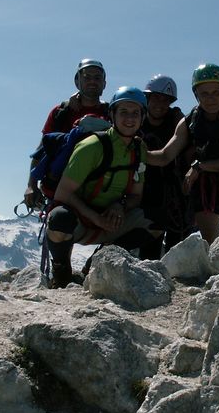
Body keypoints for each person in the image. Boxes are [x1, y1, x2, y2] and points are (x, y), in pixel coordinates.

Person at [45, 86, 159, 288]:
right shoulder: (92, 146)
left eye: (135, 113)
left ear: (143, 117)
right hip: (81, 220)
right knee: (59, 219)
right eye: (123, 112)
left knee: (157, 221)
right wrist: (96, 218)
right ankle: (62, 272)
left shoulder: (139, 149)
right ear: (112, 114)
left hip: (112, 219)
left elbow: (136, 195)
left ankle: (99, 263)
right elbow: (63, 193)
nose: (130, 118)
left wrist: (120, 206)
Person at [147, 63, 219, 244]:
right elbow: (165, 156)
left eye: (215, 93)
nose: (210, 99)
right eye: (204, 94)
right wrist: (136, 152)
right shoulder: (191, 120)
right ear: (196, 94)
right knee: (210, 242)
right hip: (206, 187)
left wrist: (199, 166)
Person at [23, 59, 110, 209]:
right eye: (87, 77)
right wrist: (31, 185)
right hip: (59, 190)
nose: (92, 81)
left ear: (104, 84)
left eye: (97, 78)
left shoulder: (112, 113)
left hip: (97, 191)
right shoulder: (60, 112)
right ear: (77, 82)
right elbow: (42, 150)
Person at [139, 74, 193, 258]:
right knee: (150, 245)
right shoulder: (136, 119)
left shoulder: (178, 122)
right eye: (156, 98)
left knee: (176, 245)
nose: (160, 104)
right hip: (144, 190)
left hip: (174, 191)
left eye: (165, 100)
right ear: (147, 98)